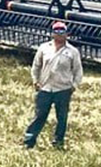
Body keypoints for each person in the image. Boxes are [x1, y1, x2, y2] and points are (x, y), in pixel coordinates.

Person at [24, 20, 83, 149]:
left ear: (67, 34)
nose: (60, 35)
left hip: (63, 89)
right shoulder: (44, 48)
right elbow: (36, 66)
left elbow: (78, 71)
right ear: (52, 34)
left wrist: (74, 85)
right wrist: (35, 80)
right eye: (57, 32)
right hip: (45, 87)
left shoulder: (72, 51)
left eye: (62, 32)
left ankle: (58, 142)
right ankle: (29, 141)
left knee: (61, 118)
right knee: (39, 115)